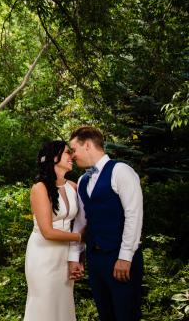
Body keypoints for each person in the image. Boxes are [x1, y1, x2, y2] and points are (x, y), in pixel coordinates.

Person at [67, 126, 143, 321]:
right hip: (95, 260)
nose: (72, 156)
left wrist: (125, 257)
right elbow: (80, 222)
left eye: (74, 149)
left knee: (126, 315)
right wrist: (75, 256)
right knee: (106, 315)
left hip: (120, 257)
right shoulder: (83, 180)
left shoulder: (121, 171)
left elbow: (134, 215)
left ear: (88, 145)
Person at [24, 140, 82, 321]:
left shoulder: (73, 186)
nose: (71, 156)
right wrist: (81, 237)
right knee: (44, 303)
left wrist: (76, 256)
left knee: (63, 303)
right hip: (43, 255)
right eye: (66, 152)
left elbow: (80, 221)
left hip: (65, 255)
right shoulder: (39, 188)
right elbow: (47, 232)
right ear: (54, 157)